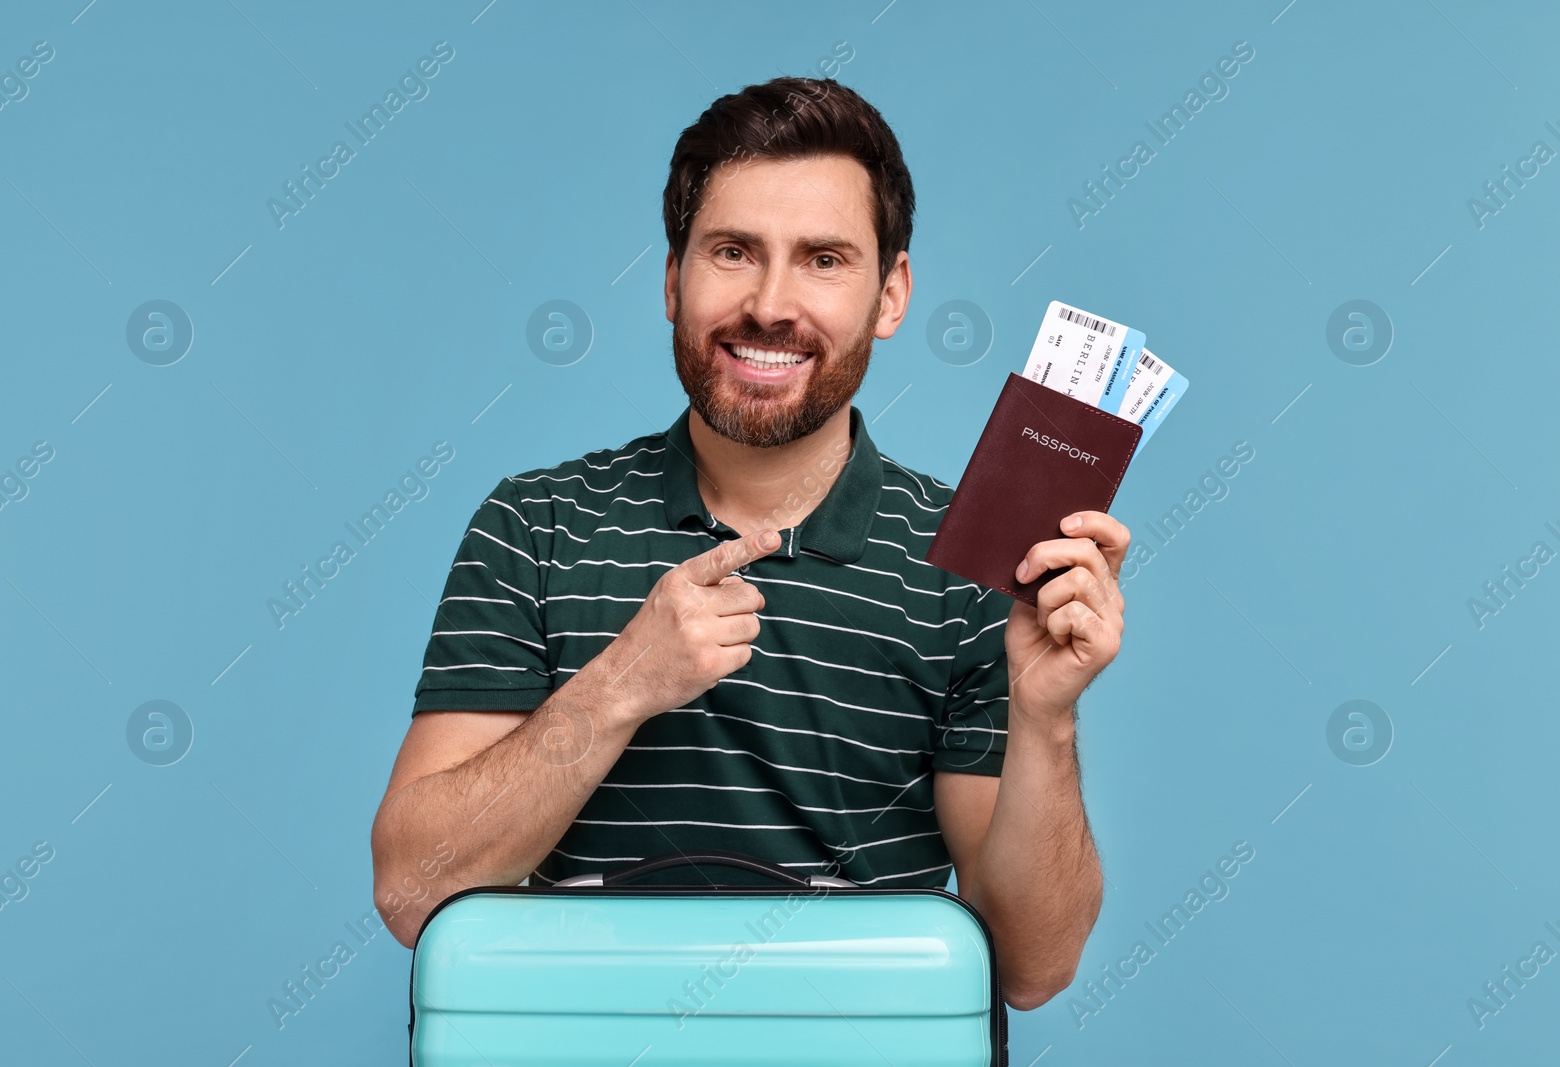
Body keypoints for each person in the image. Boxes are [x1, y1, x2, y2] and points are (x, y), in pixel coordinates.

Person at [370, 75, 1131, 1011]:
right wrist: (621, 686)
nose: (771, 305)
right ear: (671, 277)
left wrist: (1046, 717)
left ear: (890, 294)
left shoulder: (972, 574)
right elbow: (413, 889)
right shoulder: (536, 525)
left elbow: (1031, 966)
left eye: (823, 259)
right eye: (733, 251)